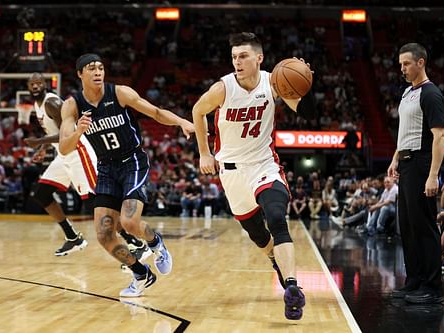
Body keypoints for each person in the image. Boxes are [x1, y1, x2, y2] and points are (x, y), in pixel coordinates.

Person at [192, 32, 315, 320]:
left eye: (244, 56)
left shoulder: (274, 82)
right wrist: (204, 153)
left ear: (259, 58)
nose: (238, 61)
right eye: (234, 56)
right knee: (259, 236)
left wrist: (307, 81)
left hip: (264, 165)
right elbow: (198, 112)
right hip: (232, 173)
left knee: (275, 217)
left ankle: (293, 288)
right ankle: (276, 261)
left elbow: (306, 112)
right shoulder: (223, 88)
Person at [59, 54, 194, 297]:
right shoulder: (72, 106)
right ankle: (141, 273)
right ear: (80, 74)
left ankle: (156, 243)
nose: (98, 72)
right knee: (103, 234)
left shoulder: (119, 93)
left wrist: (181, 122)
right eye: (91, 69)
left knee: (130, 222)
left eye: (101, 67)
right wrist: (78, 131)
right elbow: (64, 147)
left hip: (132, 161)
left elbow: (155, 112)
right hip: (106, 168)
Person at [25, 73, 151, 260]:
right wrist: (44, 147)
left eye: (39, 83)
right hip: (63, 155)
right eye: (32, 83)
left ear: (45, 84)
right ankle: (72, 236)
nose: (35, 86)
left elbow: (68, 133)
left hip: (78, 152)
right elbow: (55, 132)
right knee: (41, 193)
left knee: (96, 201)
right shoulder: (38, 104)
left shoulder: (52, 103)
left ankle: (137, 243)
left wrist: (38, 141)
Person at [388, 43, 444, 304]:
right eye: (400, 64)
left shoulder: (431, 93)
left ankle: (432, 288)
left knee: (424, 226)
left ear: (421, 62)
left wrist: (433, 174)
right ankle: (413, 281)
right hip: (407, 163)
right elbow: (405, 131)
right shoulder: (406, 93)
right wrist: (395, 158)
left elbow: (440, 136)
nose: (402, 68)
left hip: (423, 163)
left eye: (406, 64)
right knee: (408, 227)